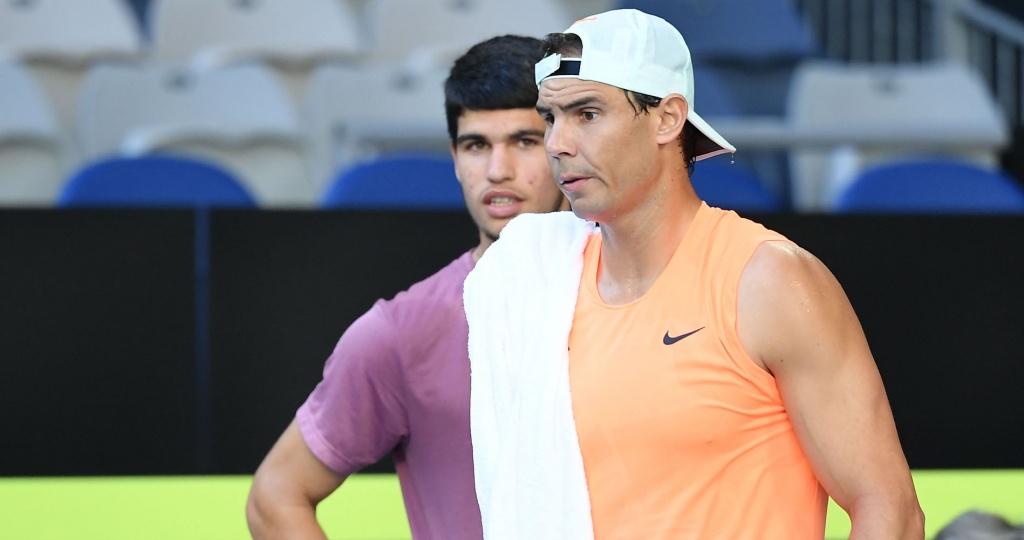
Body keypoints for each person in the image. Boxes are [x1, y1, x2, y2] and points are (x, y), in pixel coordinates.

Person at [464, 9, 925, 539]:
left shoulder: (769, 280)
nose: (557, 143)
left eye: (586, 114)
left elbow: (889, 508)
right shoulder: (534, 288)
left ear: (667, 118)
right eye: (551, 117)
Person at [245, 35, 567, 539]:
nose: (498, 171)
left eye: (525, 141)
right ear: (456, 161)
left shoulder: (642, 298)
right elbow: (275, 496)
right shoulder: (405, 331)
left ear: (566, 146)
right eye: (476, 145)